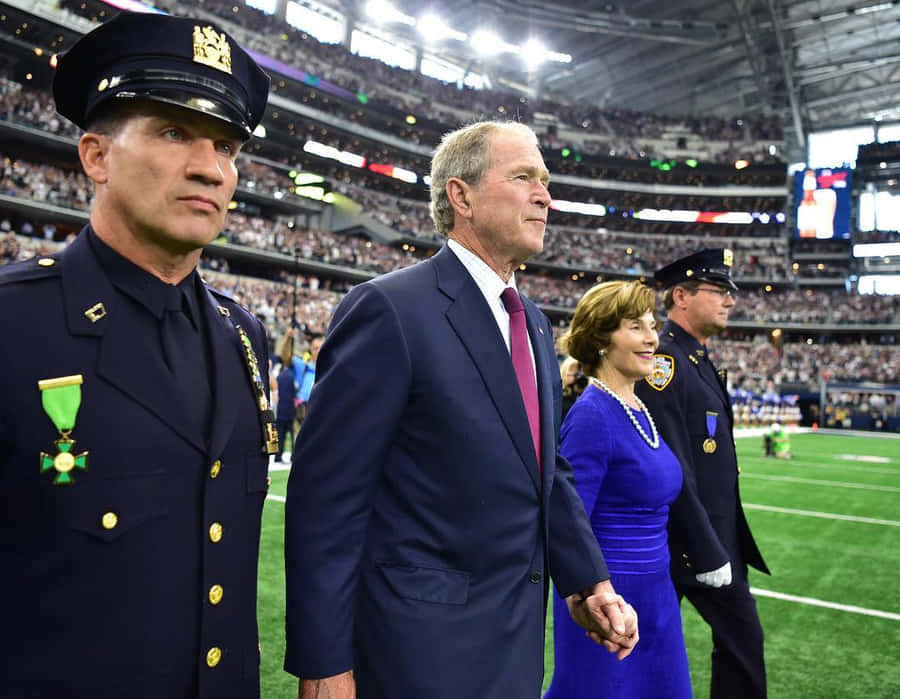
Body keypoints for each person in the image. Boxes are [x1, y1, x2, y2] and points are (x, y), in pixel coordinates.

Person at [284, 121, 638, 699]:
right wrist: (324, 664)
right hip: (415, 651)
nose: (545, 195)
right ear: (461, 195)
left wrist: (588, 580)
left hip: (516, 644)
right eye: (524, 176)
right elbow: (327, 501)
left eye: (545, 181)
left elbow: (547, 471)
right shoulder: (390, 310)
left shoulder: (536, 324)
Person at [0, 13, 272, 698]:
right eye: (174, 132)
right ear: (96, 155)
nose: (209, 167)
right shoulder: (12, 322)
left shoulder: (243, 336)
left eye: (225, 145)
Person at [545, 281, 692, 699]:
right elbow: (568, 524)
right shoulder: (592, 415)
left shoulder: (638, 406)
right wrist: (592, 601)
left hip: (657, 593)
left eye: (652, 325)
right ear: (601, 339)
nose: (652, 338)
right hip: (607, 601)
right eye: (635, 327)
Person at [635, 249, 770, 699]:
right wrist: (707, 549)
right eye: (717, 291)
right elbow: (675, 468)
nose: (730, 300)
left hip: (714, 537)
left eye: (730, 291)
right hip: (683, 544)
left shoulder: (696, 360)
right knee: (648, 655)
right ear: (681, 296)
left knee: (739, 647)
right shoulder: (666, 365)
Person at [276, 333, 299, 463]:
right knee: (284, 434)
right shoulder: (284, 372)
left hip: (290, 408)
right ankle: (280, 455)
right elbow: (285, 353)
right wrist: (288, 338)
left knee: (291, 434)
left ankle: (289, 456)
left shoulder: (292, 370)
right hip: (286, 408)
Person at [560, 355, 585, 420]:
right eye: (572, 370)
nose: (577, 377)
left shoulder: (586, 394)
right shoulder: (559, 396)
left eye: (578, 372)